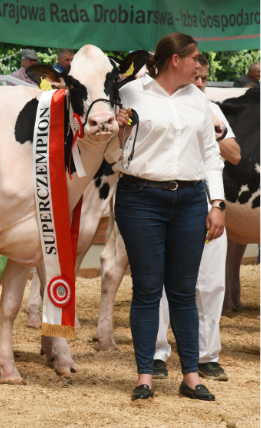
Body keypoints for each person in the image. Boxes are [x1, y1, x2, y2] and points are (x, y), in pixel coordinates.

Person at [114, 32, 224, 402]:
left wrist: (218, 203)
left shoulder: (198, 99)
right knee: (147, 290)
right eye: (195, 58)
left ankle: (190, 376)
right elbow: (115, 150)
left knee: (182, 291)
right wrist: (117, 130)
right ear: (175, 60)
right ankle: (145, 376)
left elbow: (211, 155)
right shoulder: (130, 93)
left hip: (192, 200)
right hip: (140, 198)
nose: (200, 64)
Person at [152, 54, 239, 383]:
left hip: (208, 200)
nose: (200, 84)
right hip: (166, 198)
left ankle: (207, 355)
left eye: (204, 79)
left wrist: (215, 134)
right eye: (196, 77)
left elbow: (234, 154)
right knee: (160, 281)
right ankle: (158, 353)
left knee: (211, 281)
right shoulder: (158, 105)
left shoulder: (211, 109)